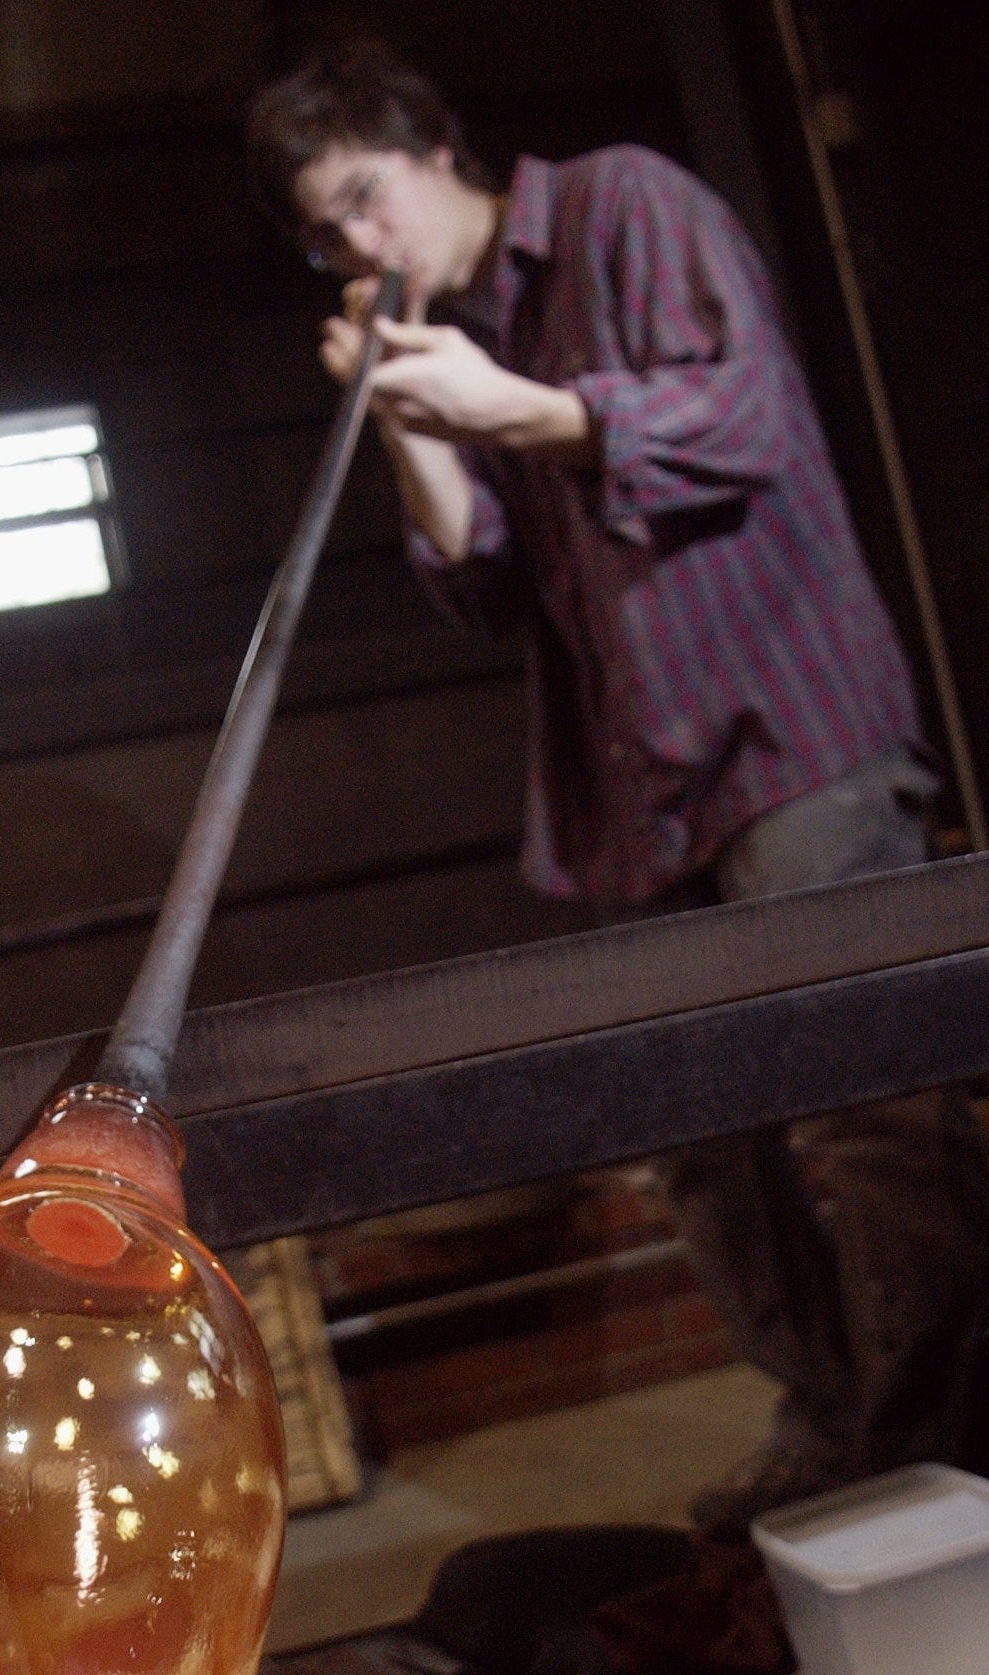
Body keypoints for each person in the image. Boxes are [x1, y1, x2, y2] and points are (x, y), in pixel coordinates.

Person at [246, 42, 989, 1537]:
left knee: (863, 1117)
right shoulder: (459, 341)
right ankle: (831, 1423)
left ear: (437, 148)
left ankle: (938, 1449)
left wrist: (511, 407)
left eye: (368, 200)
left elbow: (744, 417)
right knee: (703, 1140)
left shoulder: (620, 209)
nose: (363, 248)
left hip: (792, 730)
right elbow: (482, 586)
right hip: (637, 789)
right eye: (328, 234)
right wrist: (409, 414)